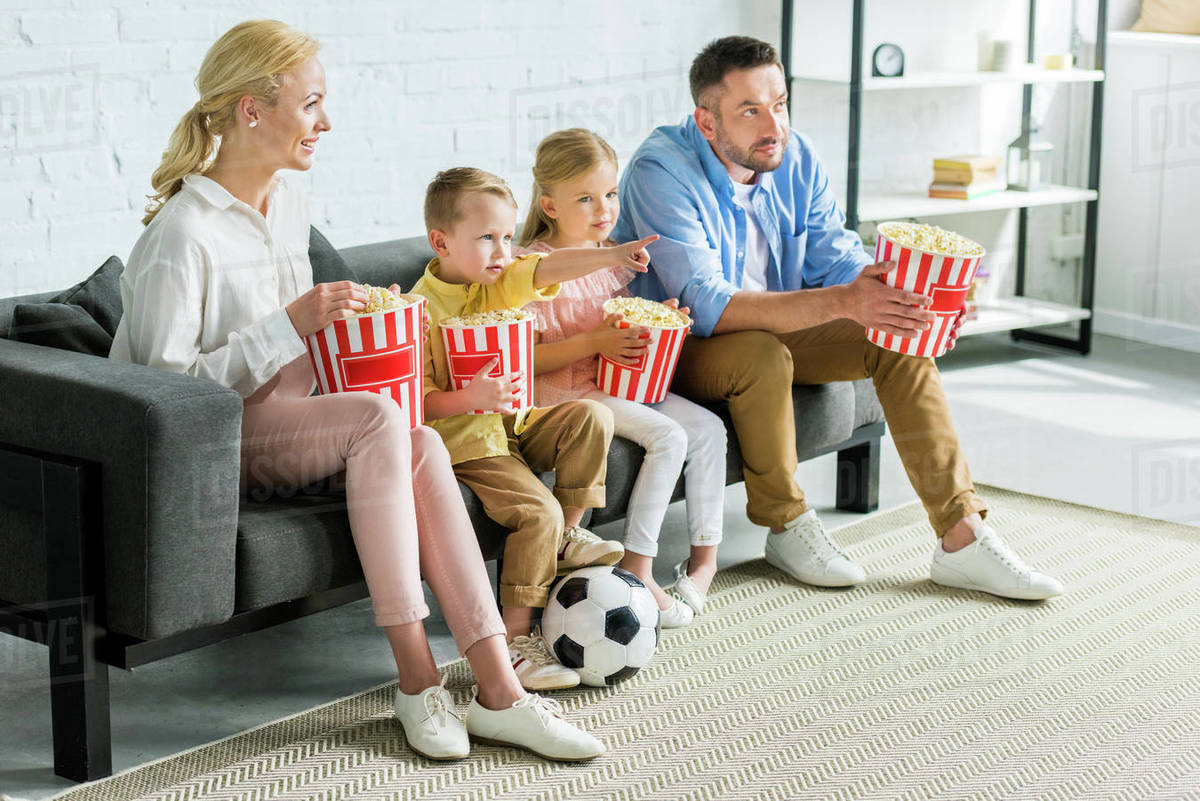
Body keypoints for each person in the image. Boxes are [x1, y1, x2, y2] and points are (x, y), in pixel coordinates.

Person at [109, 20, 604, 762]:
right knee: (381, 422)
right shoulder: (183, 235)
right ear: (252, 111)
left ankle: (501, 688)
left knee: (421, 438)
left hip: (291, 417)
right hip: (210, 442)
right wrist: (290, 324)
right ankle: (415, 676)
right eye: (310, 104)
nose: (326, 122)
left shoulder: (288, 206)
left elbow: (309, 353)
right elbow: (160, 394)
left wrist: (370, 334)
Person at [613, 35, 1063, 601]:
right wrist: (842, 302)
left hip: (777, 330)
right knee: (759, 352)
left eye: (778, 103)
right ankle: (787, 526)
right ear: (707, 123)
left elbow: (838, 257)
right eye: (749, 110)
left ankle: (962, 537)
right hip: (678, 348)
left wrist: (915, 297)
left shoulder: (793, 155)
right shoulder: (661, 170)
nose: (771, 124)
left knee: (897, 333)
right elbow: (707, 305)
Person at [411, 167, 659, 686]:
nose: (503, 251)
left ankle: (568, 533)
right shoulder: (421, 311)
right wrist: (469, 398)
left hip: (516, 426)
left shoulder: (494, 284)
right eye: (486, 238)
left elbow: (549, 269)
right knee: (536, 513)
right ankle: (516, 643)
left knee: (593, 415)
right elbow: (414, 402)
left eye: (506, 237)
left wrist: (612, 254)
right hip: (470, 445)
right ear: (442, 241)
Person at [516, 128, 727, 627]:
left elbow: (615, 328)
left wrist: (657, 323)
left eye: (609, 193)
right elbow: (526, 360)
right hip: (566, 394)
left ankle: (703, 562)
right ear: (549, 205)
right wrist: (596, 343)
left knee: (709, 430)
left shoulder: (610, 256)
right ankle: (639, 566)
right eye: (585, 198)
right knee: (668, 437)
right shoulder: (534, 267)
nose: (603, 208)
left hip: (612, 382)